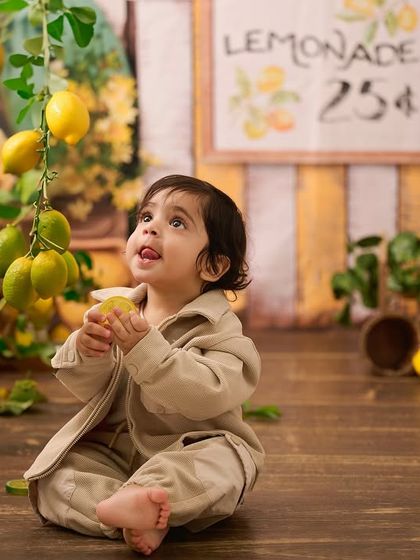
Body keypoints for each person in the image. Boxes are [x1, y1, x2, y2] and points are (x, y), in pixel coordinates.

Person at [24, 174, 265, 556]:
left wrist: (146, 349)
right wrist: (89, 352)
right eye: (145, 217)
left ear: (214, 266)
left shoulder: (221, 332)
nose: (150, 228)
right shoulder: (115, 308)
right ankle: (136, 513)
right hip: (115, 453)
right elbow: (93, 391)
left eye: (176, 222)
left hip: (191, 451)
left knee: (225, 463)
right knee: (56, 476)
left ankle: (147, 502)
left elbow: (206, 394)